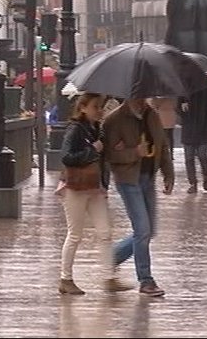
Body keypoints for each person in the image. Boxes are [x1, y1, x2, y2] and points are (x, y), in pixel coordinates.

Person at [58, 93, 131, 295]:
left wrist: (113, 149)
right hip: (76, 187)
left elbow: (103, 157)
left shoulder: (97, 129)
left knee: (105, 232)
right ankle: (66, 279)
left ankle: (109, 278)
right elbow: (66, 157)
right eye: (95, 106)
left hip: (95, 187)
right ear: (83, 108)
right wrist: (92, 149)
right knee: (75, 234)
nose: (99, 110)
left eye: (100, 106)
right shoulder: (75, 129)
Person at [103, 98, 174, 297]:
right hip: (128, 180)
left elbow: (162, 145)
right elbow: (109, 156)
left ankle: (112, 256)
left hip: (148, 178)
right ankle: (146, 280)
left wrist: (168, 174)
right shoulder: (115, 120)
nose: (143, 98)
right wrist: (135, 152)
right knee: (142, 230)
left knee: (149, 232)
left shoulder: (151, 115)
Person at [179, 88, 207, 193]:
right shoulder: (183, 90)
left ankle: (206, 176)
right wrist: (182, 108)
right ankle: (193, 183)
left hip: (203, 128)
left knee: (202, 155)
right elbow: (178, 108)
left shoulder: (205, 89)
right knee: (189, 158)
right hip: (188, 128)